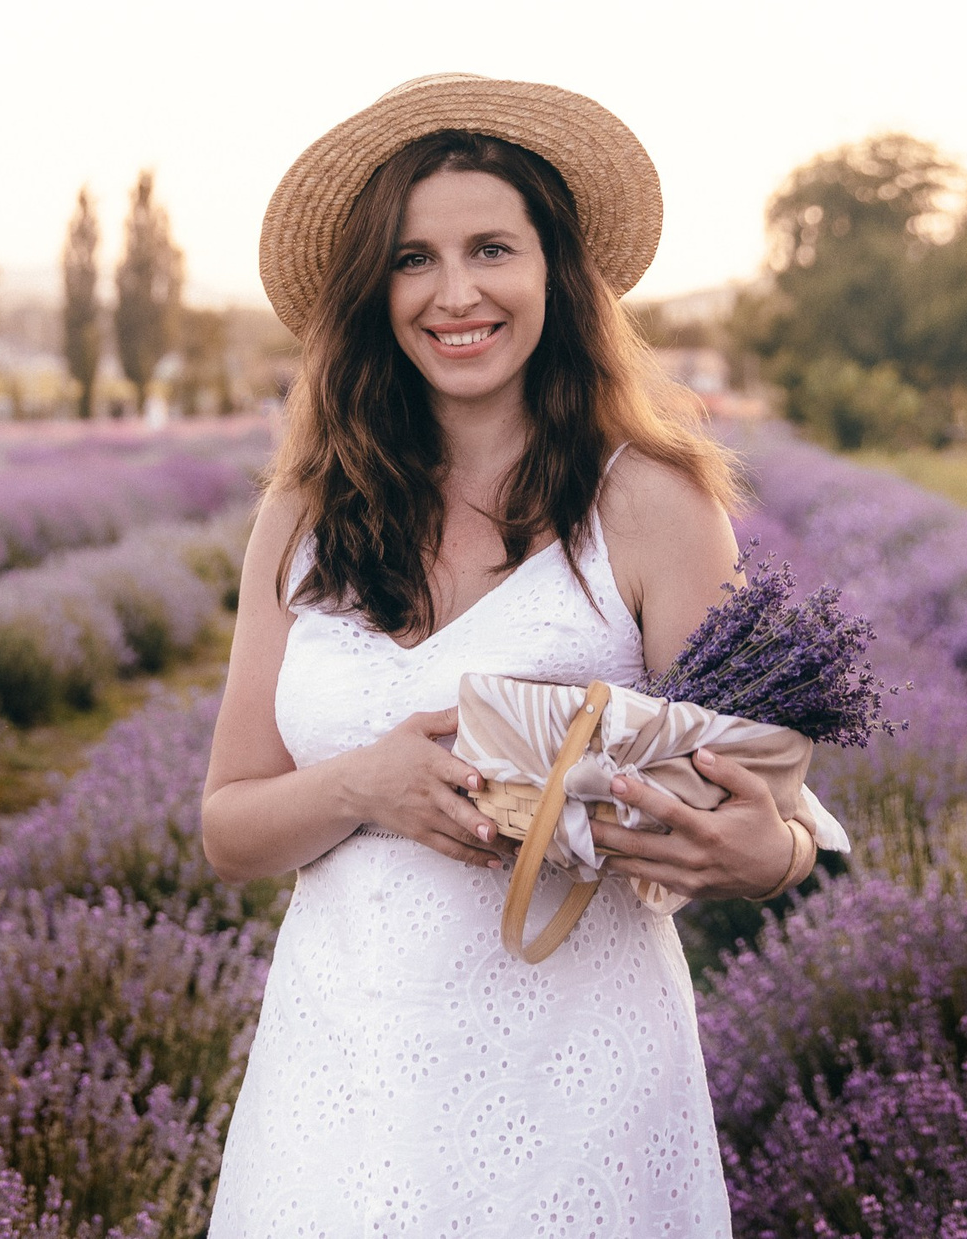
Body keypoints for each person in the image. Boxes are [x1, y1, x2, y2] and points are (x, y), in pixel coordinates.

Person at [204, 73, 811, 1236]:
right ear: (373, 293)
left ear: (554, 276)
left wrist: (763, 854)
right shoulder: (300, 517)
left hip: (574, 1081)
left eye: (492, 247)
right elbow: (229, 825)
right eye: (412, 259)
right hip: (342, 1086)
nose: (455, 292)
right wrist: (361, 783)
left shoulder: (654, 507)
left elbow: (770, 795)